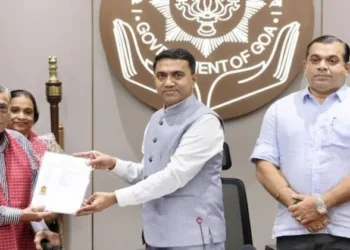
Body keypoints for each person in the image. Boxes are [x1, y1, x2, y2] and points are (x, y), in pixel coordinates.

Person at [74, 48, 226, 250]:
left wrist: (115, 198)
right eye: (161, 76)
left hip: (193, 238)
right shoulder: (157, 119)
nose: (168, 82)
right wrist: (113, 164)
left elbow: (174, 177)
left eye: (177, 75)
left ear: (194, 78)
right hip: (155, 236)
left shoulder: (205, 121)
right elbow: (149, 174)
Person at [250, 35, 350, 250]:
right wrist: (299, 207)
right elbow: (264, 166)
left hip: (345, 230)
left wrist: (322, 204)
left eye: (332, 61)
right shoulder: (280, 109)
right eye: (315, 60)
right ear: (305, 66)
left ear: (347, 68)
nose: (322, 66)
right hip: (294, 229)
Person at [0, 85, 60, 250]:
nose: (21, 116)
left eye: (2, 107)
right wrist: (21, 215)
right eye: (15, 110)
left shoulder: (22, 143)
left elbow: (34, 200)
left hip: (22, 239)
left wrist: (42, 228)